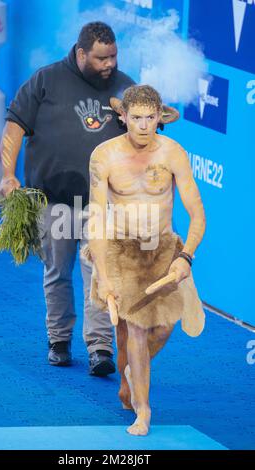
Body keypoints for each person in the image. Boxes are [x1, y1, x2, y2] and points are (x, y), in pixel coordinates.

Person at [0, 21, 178, 377]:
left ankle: (100, 347)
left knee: (101, 275)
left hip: (103, 205)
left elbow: (153, 130)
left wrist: (158, 120)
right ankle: (59, 340)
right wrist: (7, 175)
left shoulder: (127, 89)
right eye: (101, 58)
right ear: (81, 53)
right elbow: (14, 127)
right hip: (54, 201)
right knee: (57, 273)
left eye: (113, 56)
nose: (109, 63)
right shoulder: (45, 81)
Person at [85, 85, 206, 434]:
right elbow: (97, 216)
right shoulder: (103, 155)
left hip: (163, 248)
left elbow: (197, 214)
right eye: (135, 118)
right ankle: (143, 410)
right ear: (123, 116)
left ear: (159, 117)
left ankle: (131, 371)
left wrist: (186, 257)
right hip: (121, 249)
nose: (142, 125)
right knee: (135, 328)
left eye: (149, 118)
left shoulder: (173, 153)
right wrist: (104, 275)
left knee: (164, 325)